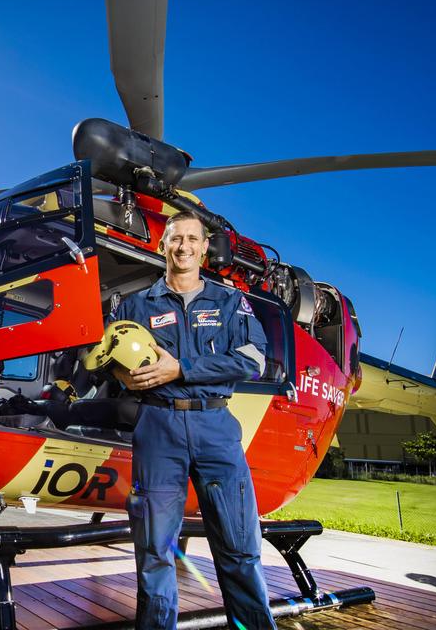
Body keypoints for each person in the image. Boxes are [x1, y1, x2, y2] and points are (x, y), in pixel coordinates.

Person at [111, 211, 277, 630]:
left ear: (204, 249)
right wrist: (125, 376)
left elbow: (254, 361)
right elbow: (108, 359)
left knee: (240, 549)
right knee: (154, 553)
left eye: (192, 239)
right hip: (158, 429)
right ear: (161, 246)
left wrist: (181, 369)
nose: (183, 246)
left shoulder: (229, 302)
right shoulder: (134, 305)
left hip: (215, 429)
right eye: (175, 239)